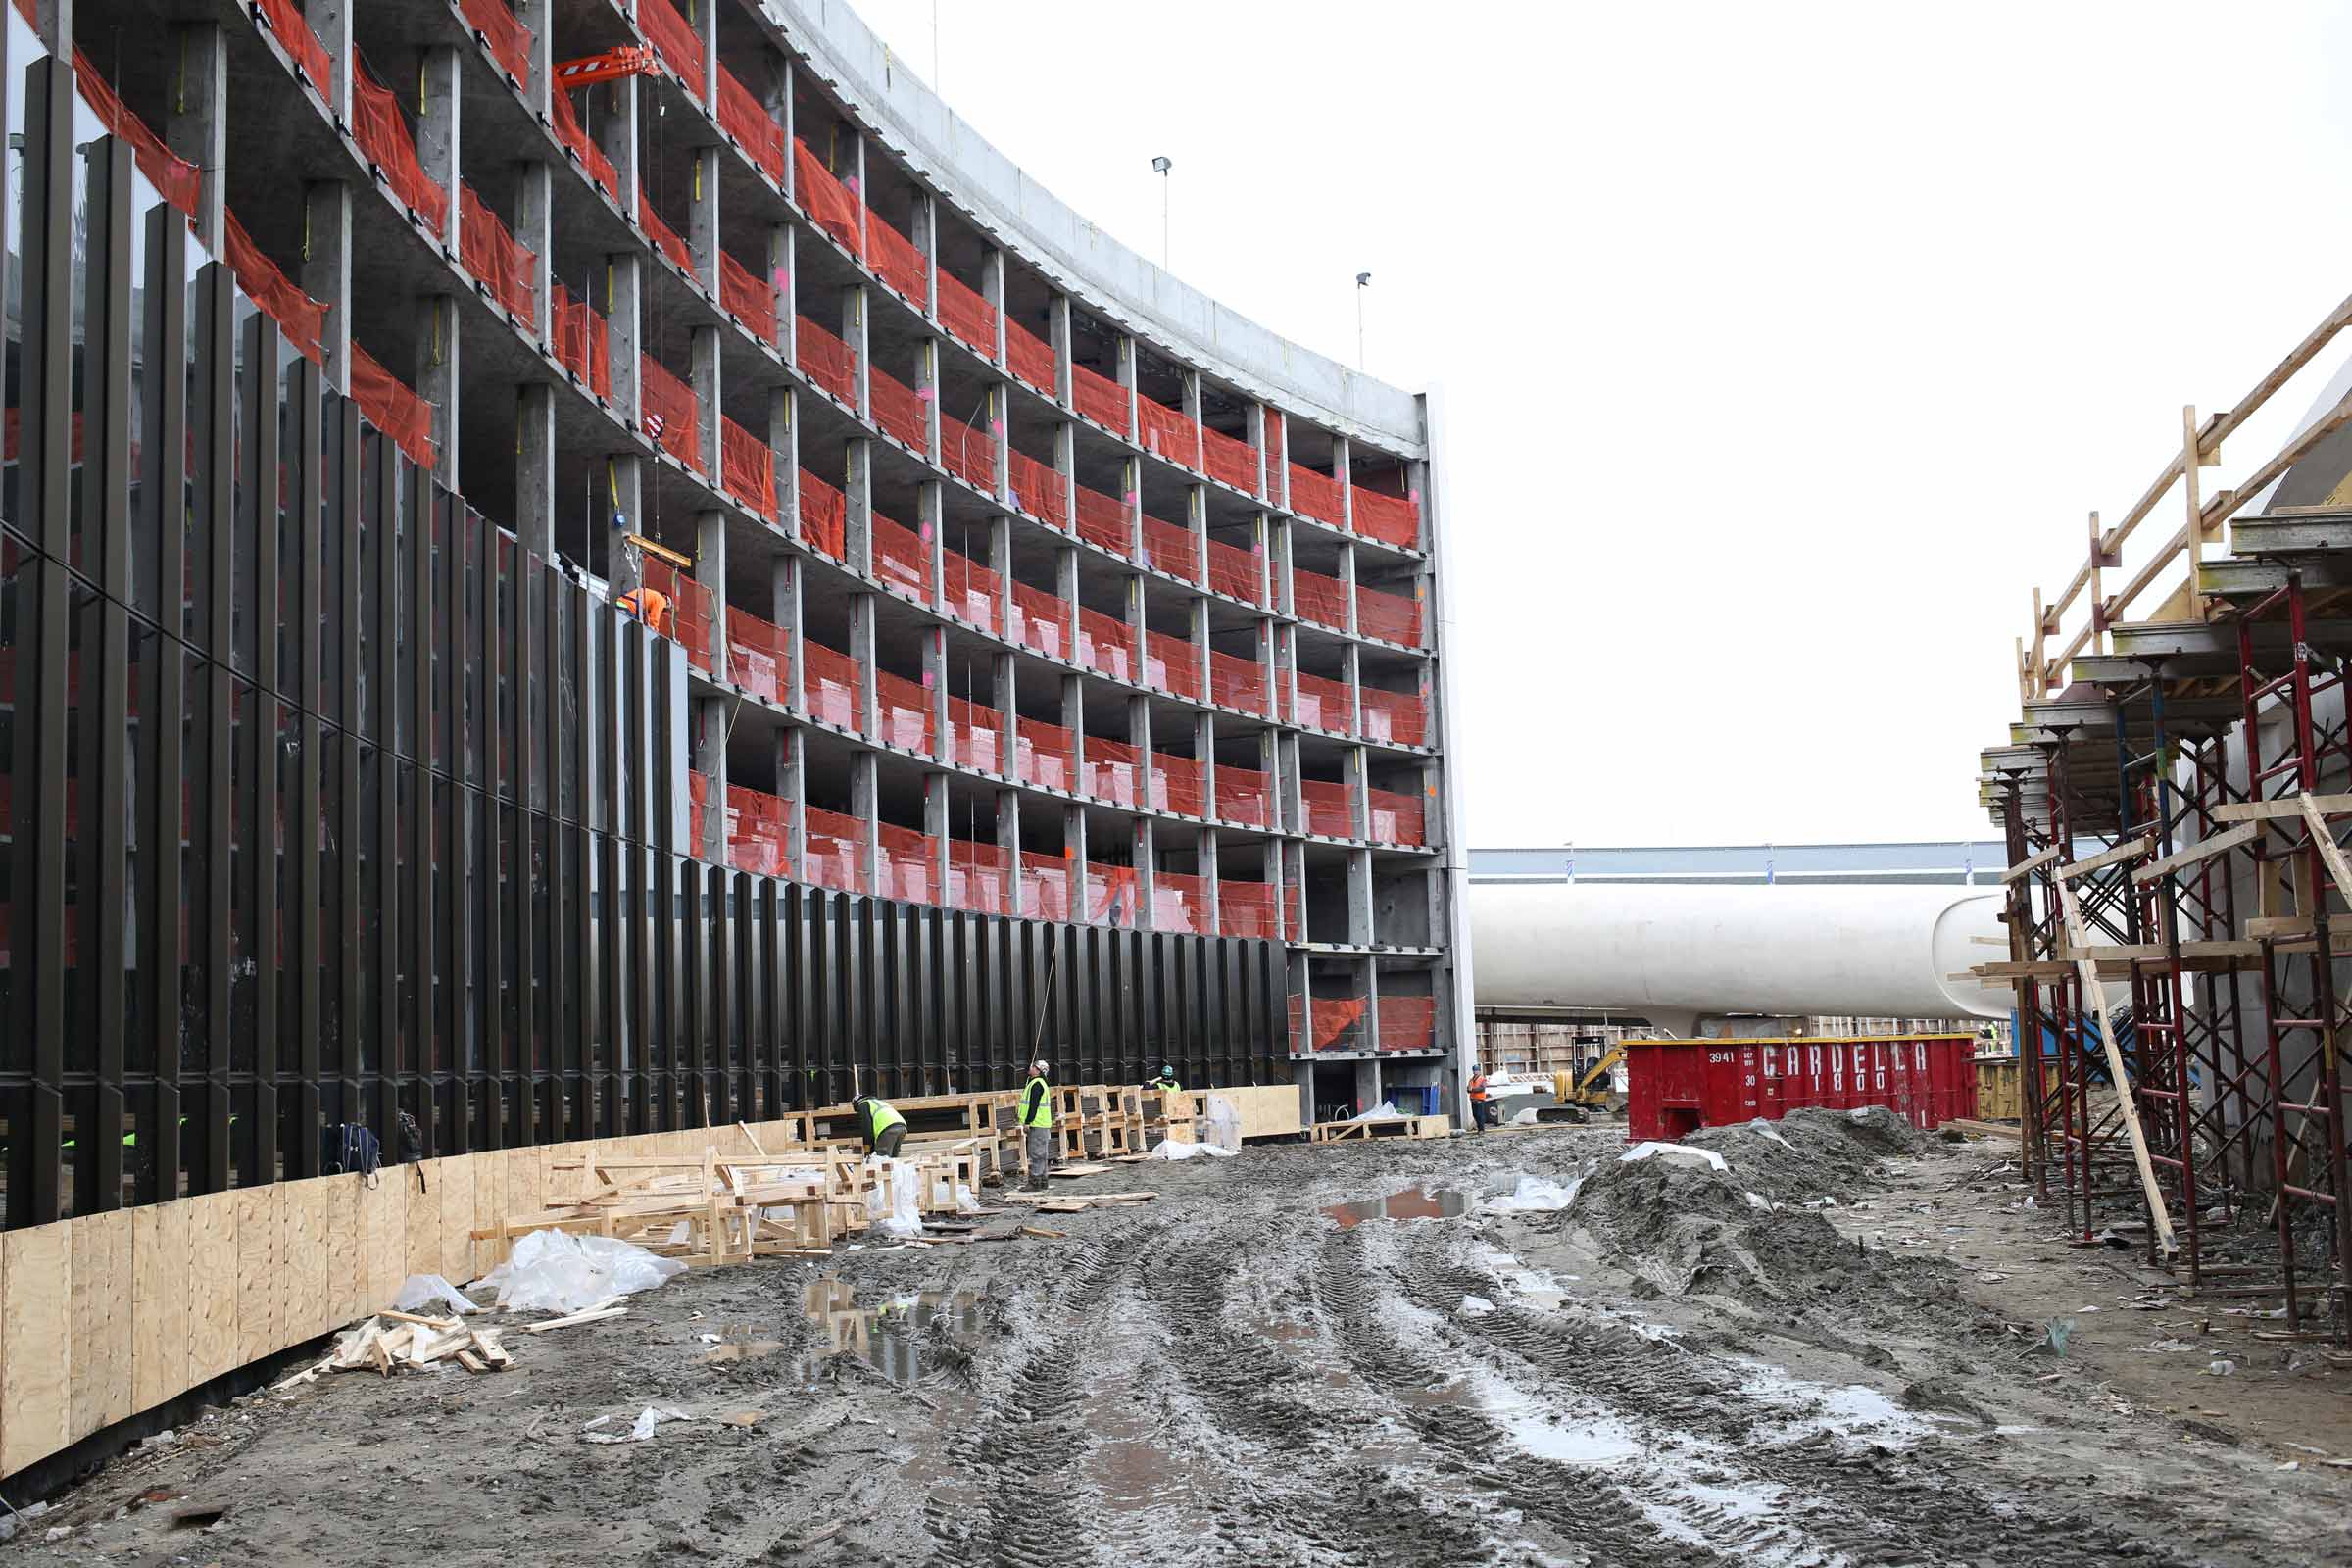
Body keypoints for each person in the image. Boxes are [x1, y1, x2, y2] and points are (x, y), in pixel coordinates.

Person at [1018, 1060, 1054, 1191]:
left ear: (1038, 1070)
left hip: (1037, 1123)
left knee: (1037, 1154)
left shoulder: (1037, 1084)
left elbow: (1033, 1105)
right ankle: (1043, 1182)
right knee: (1042, 1154)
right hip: (1042, 1124)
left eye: (1033, 1066)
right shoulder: (1038, 1083)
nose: (1030, 1067)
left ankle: (1034, 1184)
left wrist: (1027, 1121)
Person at [853, 1094, 906, 1159]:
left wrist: (867, 1150)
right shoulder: (879, 1102)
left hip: (887, 1129)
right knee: (893, 1159)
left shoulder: (863, 1105)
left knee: (881, 1159)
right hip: (901, 1127)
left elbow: (867, 1130)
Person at [1467, 1068, 1494, 1133]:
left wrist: (1472, 1089)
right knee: (1475, 1114)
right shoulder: (1471, 1080)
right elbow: (1468, 1089)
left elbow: (1482, 1088)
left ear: (1479, 1071)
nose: (1475, 1071)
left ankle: (1481, 1129)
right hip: (1473, 1099)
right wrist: (1468, 1089)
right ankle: (1479, 1128)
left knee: (1480, 1114)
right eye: (1474, 1070)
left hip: (1480, 1099)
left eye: (1476, 1070)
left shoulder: (1482, 1079)